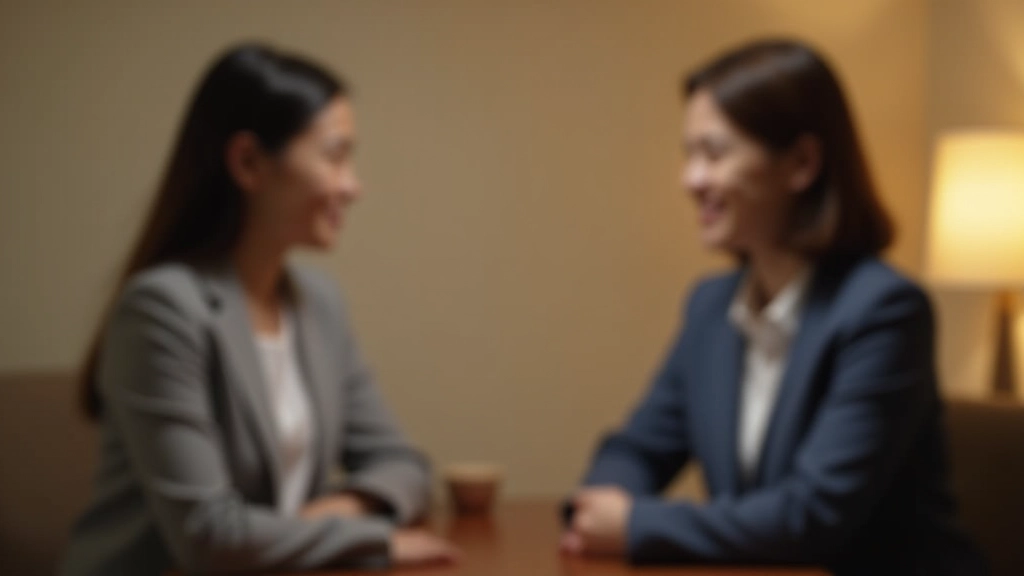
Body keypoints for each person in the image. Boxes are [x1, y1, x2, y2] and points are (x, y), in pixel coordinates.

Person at [561, 39, 987, 576]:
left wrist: (637, 525)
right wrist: (601, 504)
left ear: (802, 163)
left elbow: (813, 515)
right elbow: (638, 448)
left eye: (714, 154)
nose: (690, 180)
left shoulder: (884, 310)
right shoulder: (710, 306)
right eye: (688, 155)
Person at [61, 43, 457, 575]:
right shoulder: (161, 310)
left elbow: (405, 466)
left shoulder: (319, 304)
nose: (353, 185)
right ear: (248, 162)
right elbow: (209, 537)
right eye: (334, 155)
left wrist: (343, 509)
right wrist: (371, 539)